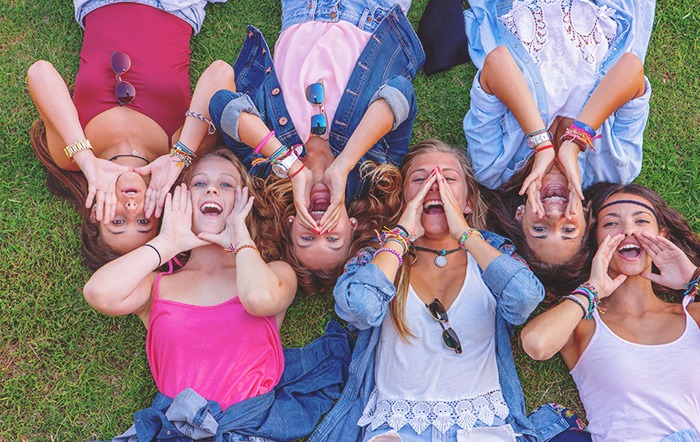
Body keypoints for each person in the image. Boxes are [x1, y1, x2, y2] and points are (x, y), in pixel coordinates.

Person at [309, 140, 588, 441]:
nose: (434, 186)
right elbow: (359, 309)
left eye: (447, 178)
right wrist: (400, 237)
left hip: (482, 426)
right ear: (404, 200)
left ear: (468, 202)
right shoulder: (380, 257)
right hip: (397, 429)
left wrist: (465, 234)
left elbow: (524, 297)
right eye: (420, 179)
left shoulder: (492, 254)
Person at [83, 147, 349, 440]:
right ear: (178, 201)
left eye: (226, 185)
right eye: (199, 183)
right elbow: (99, 293)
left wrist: (240, 237)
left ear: (244, 202)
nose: (211, 189)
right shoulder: (155, 286)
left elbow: (259, 299)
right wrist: (168, 242)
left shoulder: (275, 272)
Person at [208, 0, 424, 292]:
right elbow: (400, 92)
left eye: (306, 238)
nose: (318, 228)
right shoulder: (377, 170)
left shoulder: (266, 171)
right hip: (371, 12)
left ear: (290, 223)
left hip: (303, 10)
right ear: (352, 226)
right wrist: (344, 165)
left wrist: (292, 166)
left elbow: (223, 105)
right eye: (333, 239)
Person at [27, 0, 229, 269]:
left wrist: (86, 158)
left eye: (118, 222)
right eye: (144, 222)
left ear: (96, 214)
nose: (132, 209)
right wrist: (180, 157)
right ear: (160, 214)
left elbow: (40, 72)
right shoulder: (180, 148)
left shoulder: (72, 157)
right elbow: (221, 72)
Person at [521, 182, 700, 441]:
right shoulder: (584, 322)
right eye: (611, 224)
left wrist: (698, 278)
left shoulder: (696, 317)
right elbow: (536, 344)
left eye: (641, 221)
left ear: (661, 235)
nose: (628, 230)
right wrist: (592, 290)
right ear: (596, 239)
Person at [463, 0, 655, 275]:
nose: (554, 216)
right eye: (568, 229)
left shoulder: (492, 167)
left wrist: (542, 144)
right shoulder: (616, 168)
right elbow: (631, 70)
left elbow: (497, 63)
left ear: (520, 216)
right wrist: (574, 143)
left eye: (539, 229)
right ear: (588, 217)